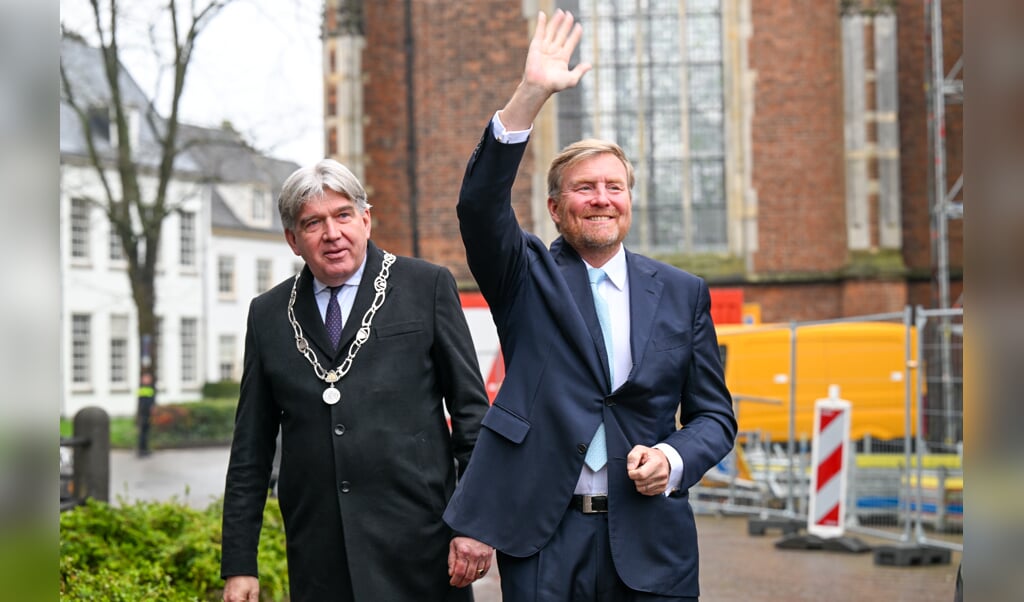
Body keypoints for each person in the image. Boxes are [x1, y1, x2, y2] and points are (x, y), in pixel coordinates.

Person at [443, 10, 738, 601]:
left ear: (629, 201)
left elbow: (714, 417)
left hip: (653, 540)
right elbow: (479, 207)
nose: (601, 199)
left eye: (614, 187)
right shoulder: (526, 277)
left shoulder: (683, 292)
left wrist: (674, 459)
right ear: (556, 209)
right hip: (546, 540)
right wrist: (530, 95)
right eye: (584, 188)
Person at [220, 159, 490, 602]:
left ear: (365, 219)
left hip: (423, 548)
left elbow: (472, 418)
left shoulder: (428, 286)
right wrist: (239, 564)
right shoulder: (267, 314)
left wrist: (476, 524)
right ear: (292, 239)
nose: (332, 234)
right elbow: (251, 449)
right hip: (320, 555)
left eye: (343, 215)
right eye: (313, 223)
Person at [136, 371, 155, 457]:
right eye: (146, 378)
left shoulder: (150, 388)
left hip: (147, 414)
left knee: (146, 433)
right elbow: (142, 402)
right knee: (143, 433)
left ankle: (145, 449)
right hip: (144, 414)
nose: (148, 379)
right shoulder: (143, 388)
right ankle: (141, 450)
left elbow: (151, 401)